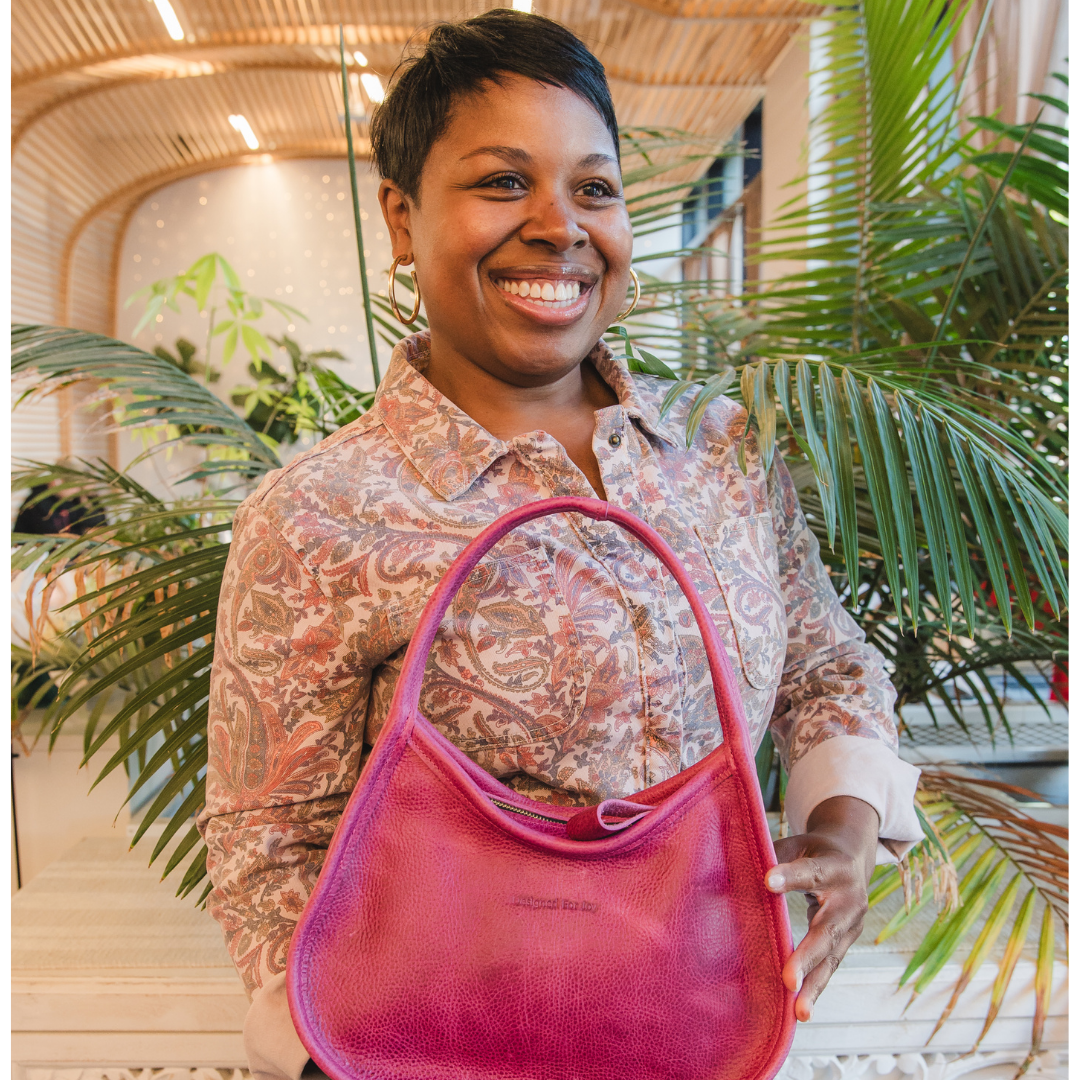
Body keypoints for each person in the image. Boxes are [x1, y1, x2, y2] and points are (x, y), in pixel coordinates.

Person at [197, 11, 922, 1079]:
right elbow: (270, 852)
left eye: (594, 189)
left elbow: (823, 664)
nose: (559, 226)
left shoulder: (721, 450)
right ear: (401, 218)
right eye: (501, 183)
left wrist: (849, 829)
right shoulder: (319, 513)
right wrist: (347, 1051)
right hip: (442, 1049)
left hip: (719, 1022)